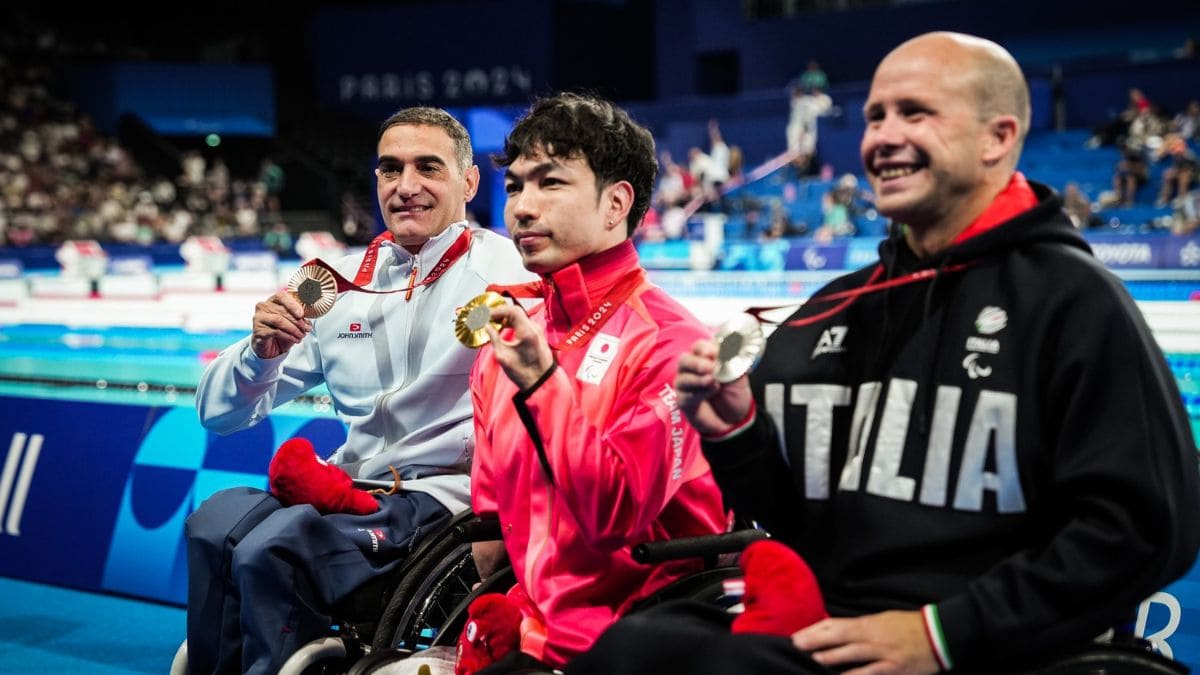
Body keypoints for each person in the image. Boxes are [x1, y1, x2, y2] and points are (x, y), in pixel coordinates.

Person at [569, 32, 1200, 675]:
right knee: (632, 649)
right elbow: (799, 520)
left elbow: (1147, 530)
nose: (883, 136)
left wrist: (942, 634)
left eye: (915, 113)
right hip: (843, 626)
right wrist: (736, 430)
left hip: (989, 647)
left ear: (998, 138)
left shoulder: (1074, 302)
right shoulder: (840, 307)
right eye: (875, 116)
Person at [185, 107, 533, 675]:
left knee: (277, 546)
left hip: (445, 499)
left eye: (429, 168)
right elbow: (217, 415)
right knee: (213, 522)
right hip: (350, 488)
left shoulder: (512, 270)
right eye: (390, 169)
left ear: (469, 182)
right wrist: (258, 357)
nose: (407, 186)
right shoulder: (332, 280)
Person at [468, 92, 728, 672]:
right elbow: (489, 524)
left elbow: (616, 516)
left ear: (616, 204)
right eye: (515, 187)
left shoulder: (671, 342)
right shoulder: (508, 333)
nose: (523, 208)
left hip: (640, 637)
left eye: (551, 183)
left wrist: (541, 383)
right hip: (531, 631)